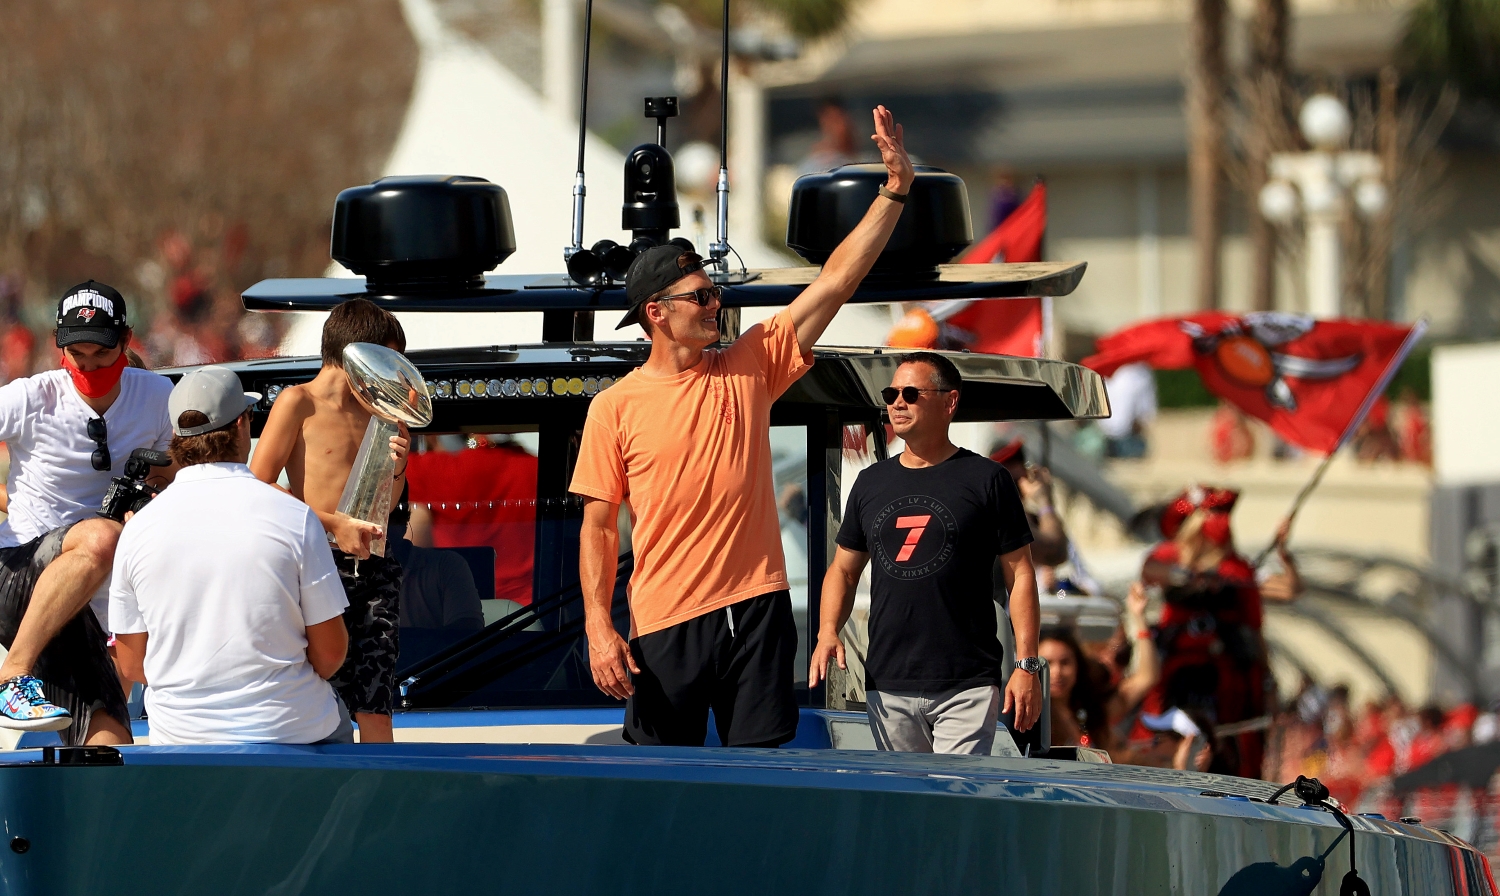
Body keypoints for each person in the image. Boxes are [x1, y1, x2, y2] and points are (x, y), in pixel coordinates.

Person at [570, 106, 914, 748]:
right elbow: (595, 527)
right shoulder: (612, 408)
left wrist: (894, 191)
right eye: (699, 297)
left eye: (713, 293)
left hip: (758, 609)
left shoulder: (750, 364)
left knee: (762, 782)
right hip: (666, 623)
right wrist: (597, 626)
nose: (714, 304)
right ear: (656, 313)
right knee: (661, 792)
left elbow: (836, 282)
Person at [811, 352, 1042, 754]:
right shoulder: (870, 482)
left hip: (966, 680)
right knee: (904, 808)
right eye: (891, 393)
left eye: (911, 393)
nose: (897, 403)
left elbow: (1020, 574)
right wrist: (827, 631)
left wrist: (1027, 665)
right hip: (887, 680)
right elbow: (844, 571)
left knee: (954, 803)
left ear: (950, 402)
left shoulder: (988, 479)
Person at [110, 367, 352, 745]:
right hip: (293, 732)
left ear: (175, 437)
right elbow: (331, 655)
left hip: (182, 740)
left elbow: (131, 664)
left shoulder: (137, 530)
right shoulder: (294, 517)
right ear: (242, 424)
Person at [0, 281, 175, 744]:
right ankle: (9, 677)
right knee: (100, 536)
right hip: (19, 572)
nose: (89, 366)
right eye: (77, 355)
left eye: (101, 353)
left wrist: (149, 497)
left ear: (126, 339)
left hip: (92, 600)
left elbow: (174, 476)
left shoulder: (157, 397)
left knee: (110, 745)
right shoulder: (30, 397)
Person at [250, 299, 410, 743]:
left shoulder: (379, 412)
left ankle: (383, 792)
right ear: (361, 355)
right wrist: (330, 523)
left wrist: (399, 466)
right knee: (321, 691)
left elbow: (386, 503)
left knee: (376, 701)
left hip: (374, 564)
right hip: (318, 562)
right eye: (387, 362)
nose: (392, 375)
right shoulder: (298, 401)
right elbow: (256, 483)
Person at [1137, 486, 1269, 778]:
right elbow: (1150, 570)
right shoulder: (1170, 556)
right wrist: (1188, 577)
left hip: (1224, 676)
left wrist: (1265, 679)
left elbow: (1254, 626)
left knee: (1227, 743)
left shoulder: (1237, 569)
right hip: (1174, 670)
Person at [1039, 584, 1158, 753]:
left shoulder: (1092, 711)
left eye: (1065, 663)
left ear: (1078, 666)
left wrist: (1138, 617)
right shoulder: (1026, 715)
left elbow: (1146, 677)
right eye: (1047, 663)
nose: (1057, 672)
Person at [989, 439, 1069, 566]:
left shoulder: (1029, 519)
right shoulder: (1001, 516)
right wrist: (1045, 500)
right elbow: (1055, 552)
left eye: (1017, 461)